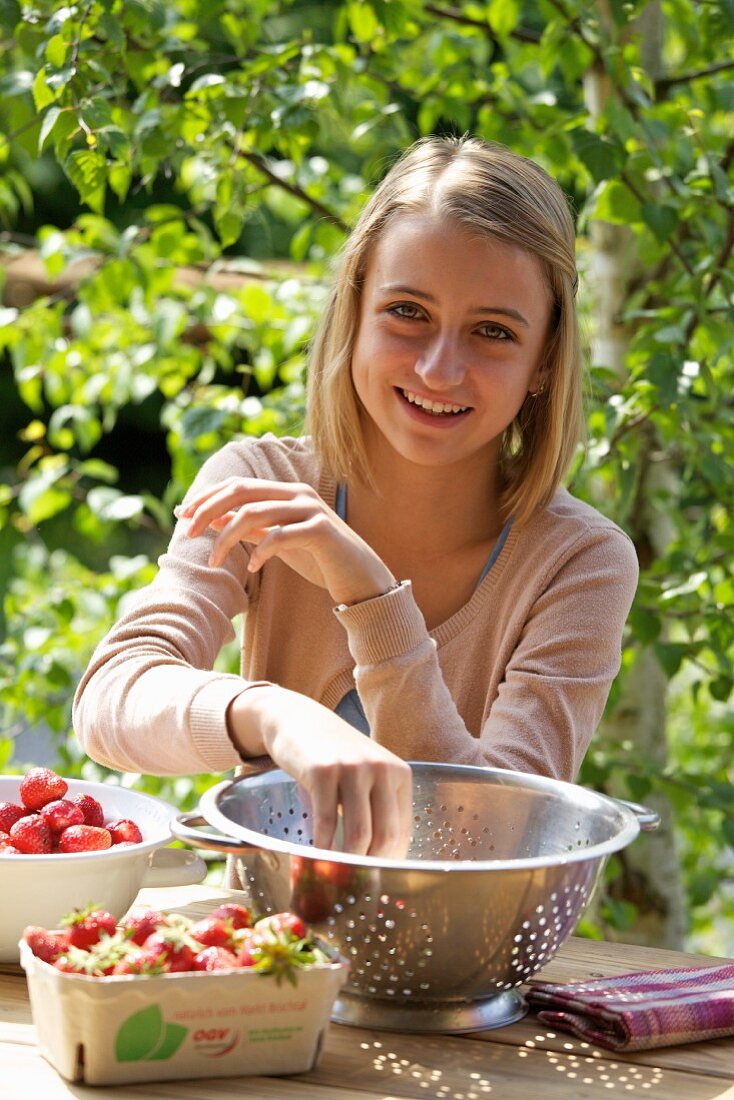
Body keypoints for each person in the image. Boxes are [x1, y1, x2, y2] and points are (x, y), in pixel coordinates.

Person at [73, 135, 639, 859]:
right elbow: (110, 699)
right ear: (356, 310)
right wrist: (273, 715)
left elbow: (497, 839)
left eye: (493, 331)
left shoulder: (580, 561)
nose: (440, 368)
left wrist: (369, 595)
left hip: (463, 964)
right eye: (408, 312)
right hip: (260, 950)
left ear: (544, 362)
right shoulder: (262, 480)